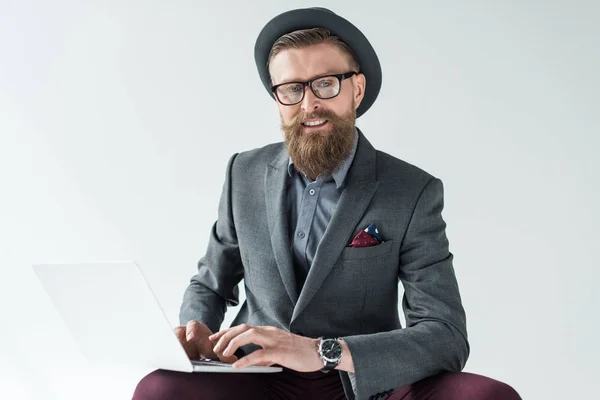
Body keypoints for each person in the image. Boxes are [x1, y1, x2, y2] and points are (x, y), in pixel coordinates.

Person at [133, 7, 522, 400]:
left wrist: (322, 353)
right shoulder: (243, 173)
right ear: (277, 97)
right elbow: (211, 284)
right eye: (292, 89)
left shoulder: (412, 190)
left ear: (357, 89)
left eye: (326, 84)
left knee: (488, 396)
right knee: (157, 389)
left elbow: (446, 335)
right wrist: (194, 329)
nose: (309, 104)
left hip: (363, 382)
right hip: (259, 378)